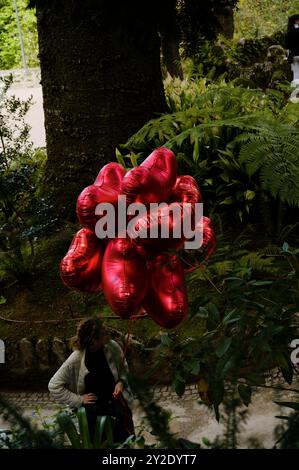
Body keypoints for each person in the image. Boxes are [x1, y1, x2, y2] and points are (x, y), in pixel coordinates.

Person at [48, 317, 135, 443]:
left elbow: (123, 369)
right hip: (94, 414)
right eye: (103, 334)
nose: (107, 335)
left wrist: (121, 382)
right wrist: (78, 399)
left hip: (117, 407)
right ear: (93, 340)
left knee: (125, 442)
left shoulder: (112, 347)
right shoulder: (76, 358)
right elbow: (54, 385)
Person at [286, 14, 299, 86]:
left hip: (293, 55)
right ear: (296, 21)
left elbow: (287, 46)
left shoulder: (289, 31)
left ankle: (294, 92)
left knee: (296, 74)